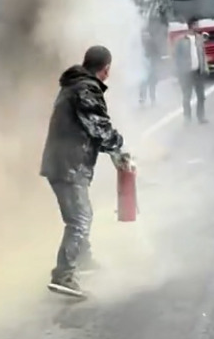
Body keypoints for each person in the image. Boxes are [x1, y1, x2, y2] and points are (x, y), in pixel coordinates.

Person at [40, 45, 130, 298]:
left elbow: (88, 129)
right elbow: (99, 127)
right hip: (69, 165)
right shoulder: (86, 89)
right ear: (106, 69)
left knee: (81, 214)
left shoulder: (73, 85)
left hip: (62, 163)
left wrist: (112, 151)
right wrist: (119, 148)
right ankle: (64, 275)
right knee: (79, 219)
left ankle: (84, 258)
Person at [173, 17, 209, 124]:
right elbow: (177, 57)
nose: (198, 26)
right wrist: (178, 72)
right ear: (191, 25)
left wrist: (205, 67)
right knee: (187, 97)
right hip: (186, 73)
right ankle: (187, 118)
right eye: (196, 24)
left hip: (198, 71)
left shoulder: (199, 39)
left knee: (201, 96)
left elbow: (203, 54)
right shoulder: (181, 40)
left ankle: (201, 117)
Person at [138, 17, 166, 106]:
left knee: (151, 83)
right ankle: (143, 98)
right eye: (144, 34)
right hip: (143, 66)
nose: (145, 36)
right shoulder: (139, 44)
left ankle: (152, 99)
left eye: (146, 34)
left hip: (151, 65)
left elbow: (158, 54)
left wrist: (158, 64)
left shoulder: (152, 43)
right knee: (143, 82)